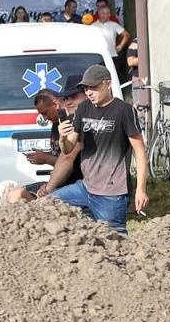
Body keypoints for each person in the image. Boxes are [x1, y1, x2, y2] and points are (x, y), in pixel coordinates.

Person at [45, 64, 146, 233]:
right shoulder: (84, 108)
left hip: (112, 194)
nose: (89, 92)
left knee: (115, 241)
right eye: (85, 88)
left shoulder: (124, 111)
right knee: (47, 206)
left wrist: (141, 189)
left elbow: (140, 151)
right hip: (85, 187)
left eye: (93, 87)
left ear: (108, 84)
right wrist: (63, 136)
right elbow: (68, 148)